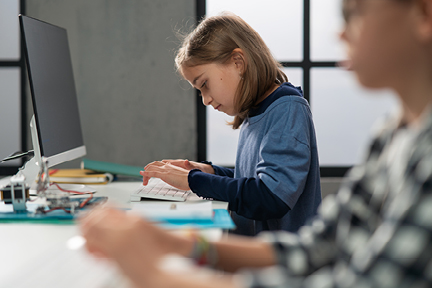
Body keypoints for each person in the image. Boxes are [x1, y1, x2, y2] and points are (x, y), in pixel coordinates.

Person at [80, 0, 432, 287]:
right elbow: (317, 248)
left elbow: (272, 198)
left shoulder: (288, 109)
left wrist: (154, 274)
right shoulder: (390, 135)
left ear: (423, 13)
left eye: (353, 12)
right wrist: (176, 240)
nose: (339, 31)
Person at [140, 13, 322, 236]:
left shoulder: (287, 109)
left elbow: (269, 197)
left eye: (204, 84)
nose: (205, 99)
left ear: (238, 62)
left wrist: (193, 181)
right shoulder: (255, 112)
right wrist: (207, 171)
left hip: (279, 263)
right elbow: (252, 180)